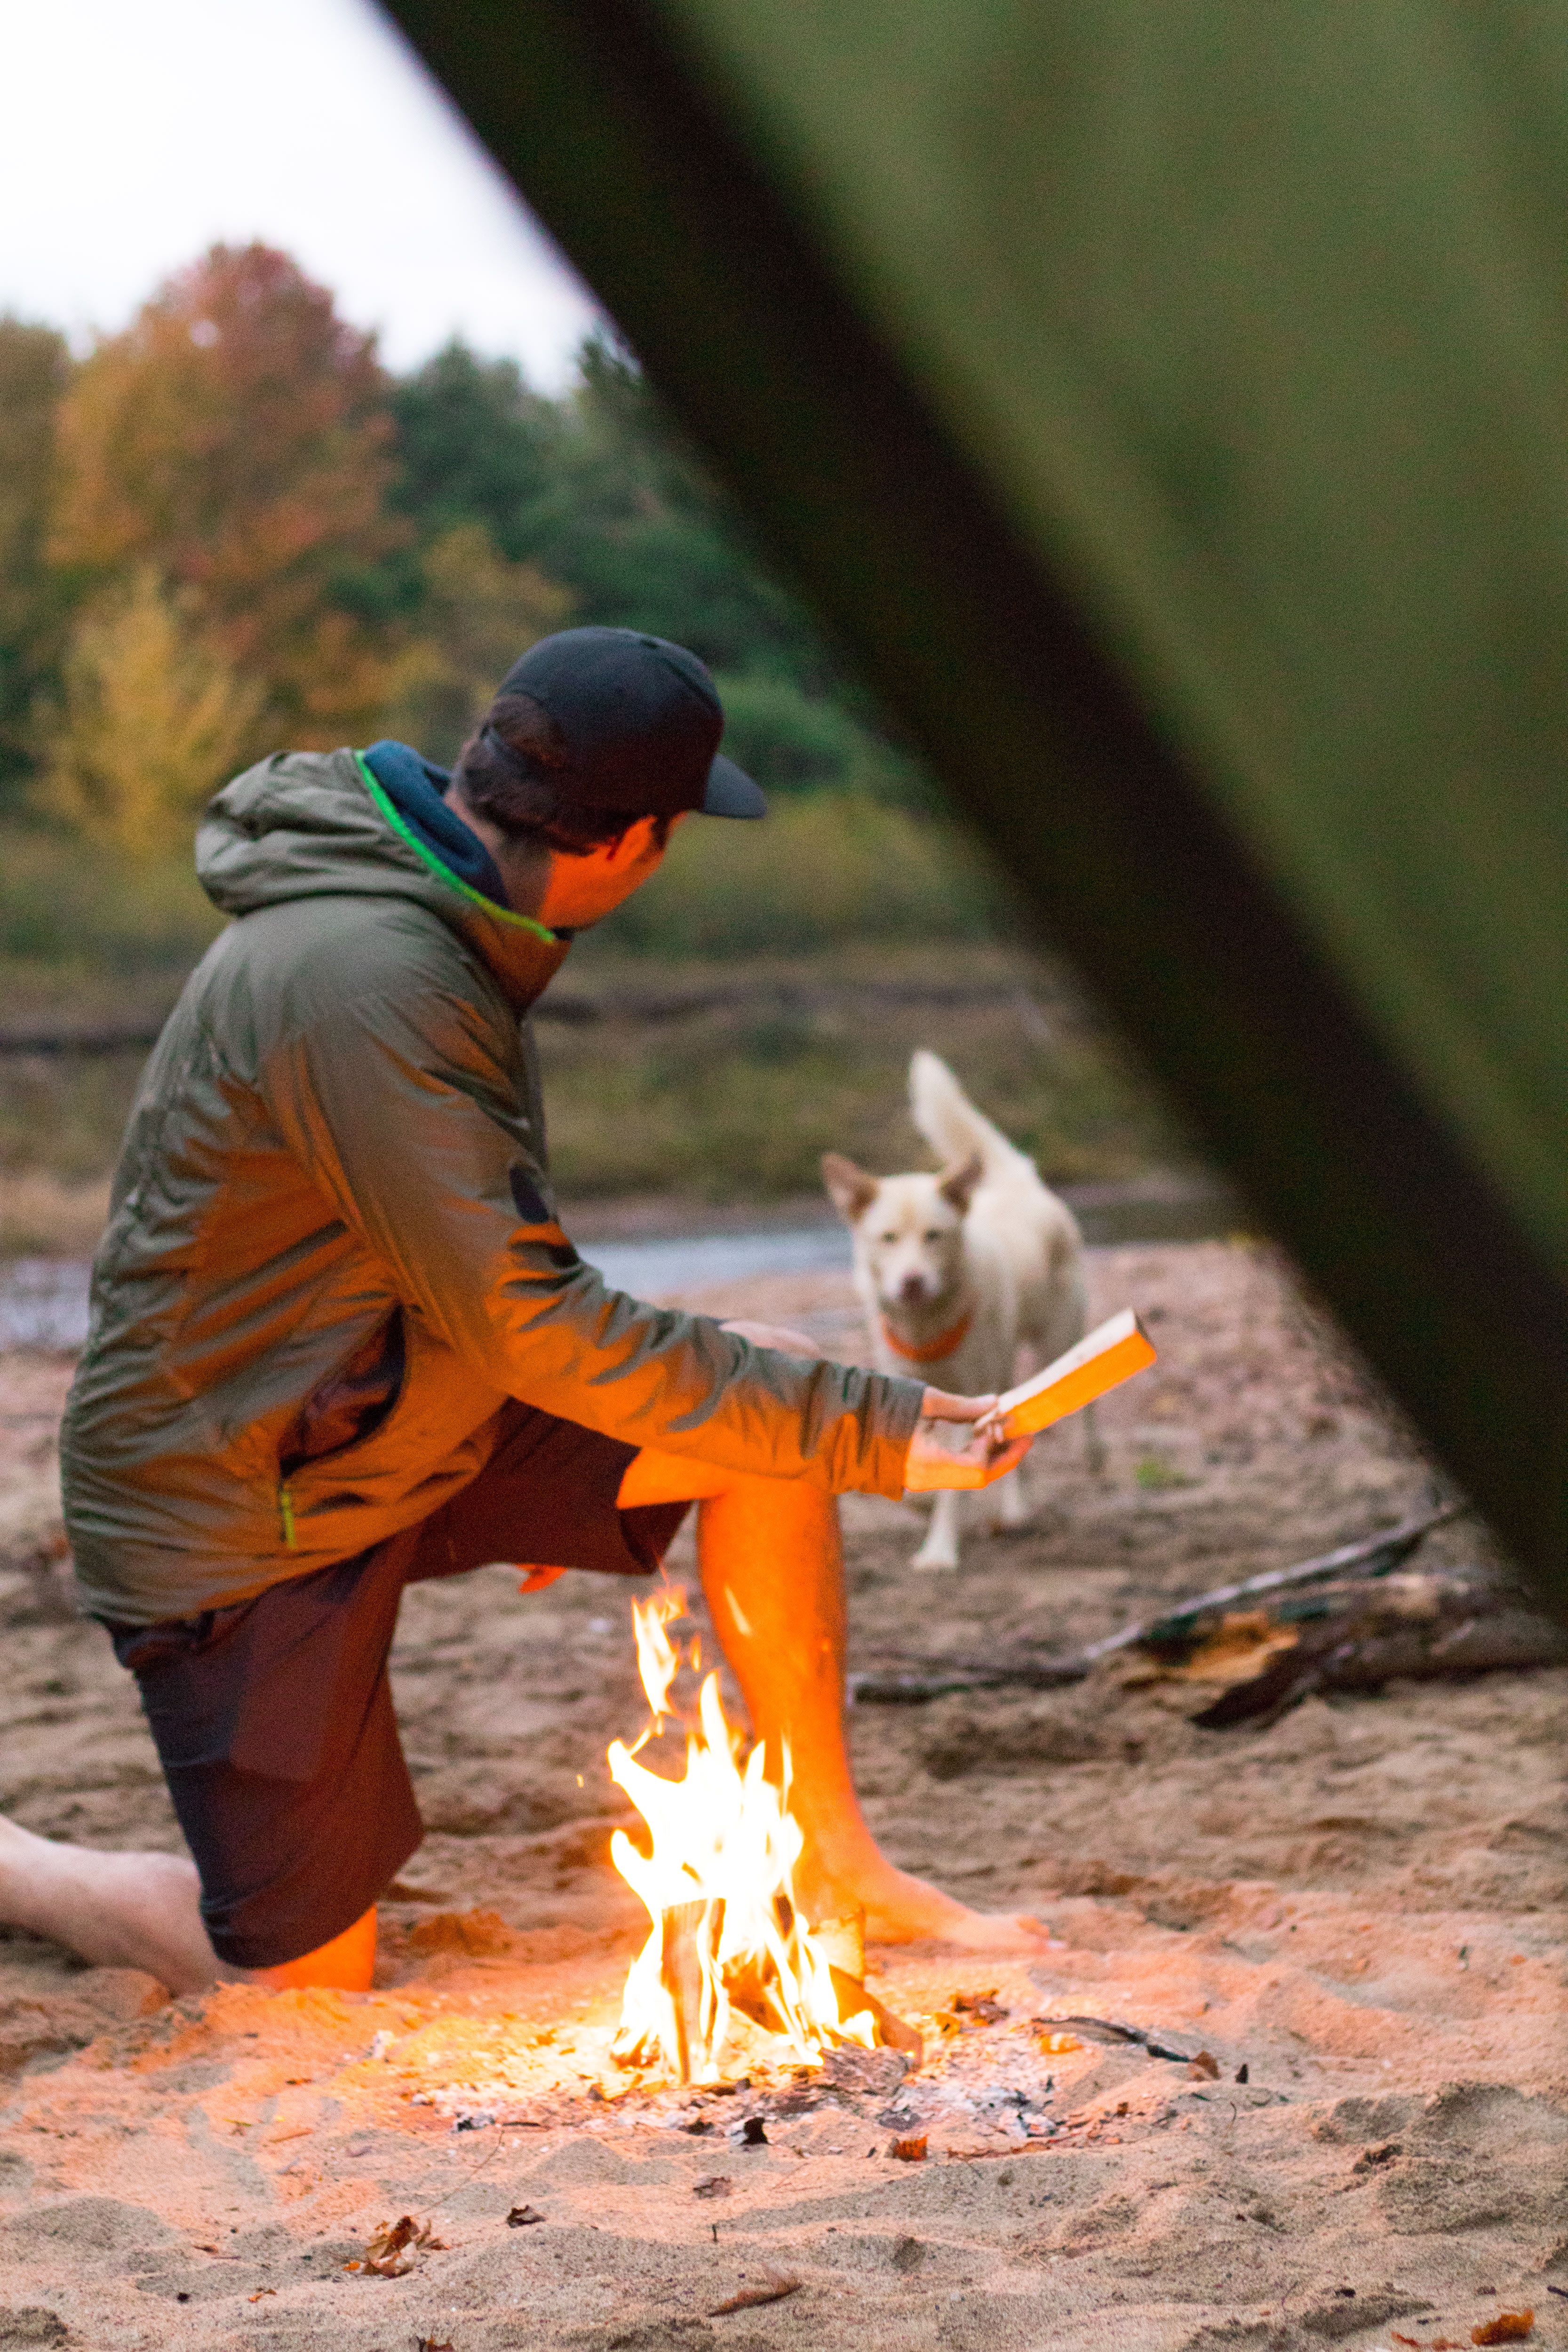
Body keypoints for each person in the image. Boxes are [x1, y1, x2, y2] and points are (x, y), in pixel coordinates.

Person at [0, 627, 1041, 1996]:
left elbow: (453, 1269)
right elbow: (524, 1318)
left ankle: (833, 1856)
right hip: (237, 1506)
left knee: (768, 1409)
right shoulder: (374, 979)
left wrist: (542, 1430)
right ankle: (15, 1864)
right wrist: (878, 1427)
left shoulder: (441, 921)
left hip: (370, 1425)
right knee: (301, 1993)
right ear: (631, 845)